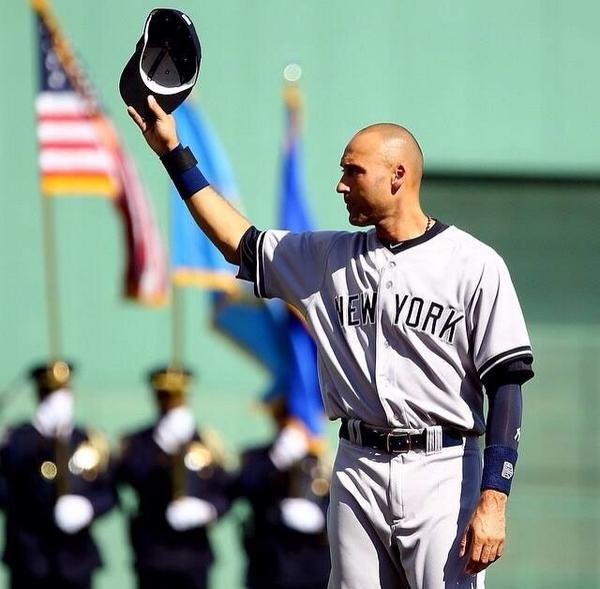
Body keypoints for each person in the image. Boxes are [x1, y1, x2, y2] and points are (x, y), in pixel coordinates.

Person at [127, 96, 534, 589]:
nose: (341, 184)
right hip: (357, 464)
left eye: (353, 172)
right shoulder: (326, 257)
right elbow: (239, 241)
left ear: (398, 175)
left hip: (443, 468)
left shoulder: (474, 264)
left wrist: (494, 497)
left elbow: (506, 385)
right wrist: (173, 153)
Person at [0, 360, 116, 589]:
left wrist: (87, 508)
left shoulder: (85, 439)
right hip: (31, 556)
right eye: (50, 393)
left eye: (63, 392)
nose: (58, 400)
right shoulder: (18, 440)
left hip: (75, 559)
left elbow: (108, 492)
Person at [116, 365, 234, 589]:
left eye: (176, 397)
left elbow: (225, 490)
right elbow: (131, 476)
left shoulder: (205, 442)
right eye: (165, 396)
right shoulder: (140, 442)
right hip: (154, 552)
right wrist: (164, 451)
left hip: (194, 553)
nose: (170, 403)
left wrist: (207, 510)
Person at [235, 392, 331, 589]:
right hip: (269, 568)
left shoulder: (325, 462)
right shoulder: (258, 457)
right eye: (284, 416)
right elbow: (243, 487)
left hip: (314, 572)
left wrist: (321, 517)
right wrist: (275, 460)